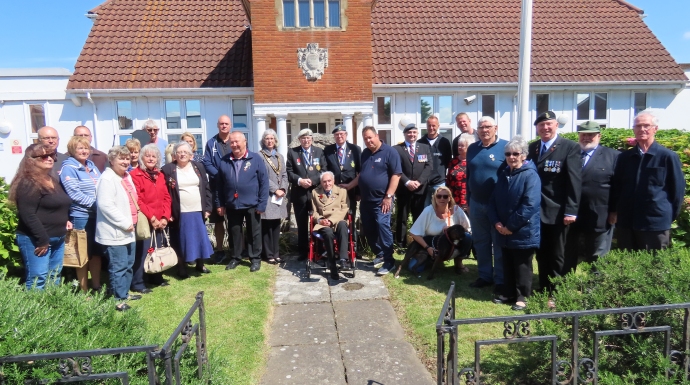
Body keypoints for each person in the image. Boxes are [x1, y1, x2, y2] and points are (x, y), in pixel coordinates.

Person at [526, 111, 581, 307]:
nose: (545, 128)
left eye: (549, 124)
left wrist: (571, 210)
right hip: (536, 211)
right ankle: (543, 286)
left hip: (559, 212)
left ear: (556, 125)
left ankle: (557, 291)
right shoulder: (532, 148)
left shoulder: (570, 147)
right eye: (541, 125)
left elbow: (574, 181)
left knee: (558, 254)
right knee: (541, 253)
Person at [609, 111, 685, 251]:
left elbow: (677, 191)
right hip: (627, 222)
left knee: (654, 266)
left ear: (655, 129)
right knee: (627, 264)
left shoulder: (667, 157)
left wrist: (666, 215)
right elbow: (617, 187)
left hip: (655, 223)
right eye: (638, 126)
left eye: (646, 125)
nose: (642, 129)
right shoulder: (624, 158)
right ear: (633, 129)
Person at [10, 143, 72, 290]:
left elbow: (59, 204)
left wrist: (66, 219)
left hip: (58, 237)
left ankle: (52, 309)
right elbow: (28, 214)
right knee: (38, 278)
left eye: (52, 155)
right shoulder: (28, 183)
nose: (50, 159)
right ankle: (35, 311)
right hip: (37, 240)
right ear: (32, 160)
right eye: (44, 156)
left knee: (54, 276)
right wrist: (42, 240)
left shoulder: (51, 180)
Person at [489, 136, 541, 311]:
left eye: (516, 153)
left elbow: (530, 204)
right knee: (508, 262)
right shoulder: (505, 174)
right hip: (503, 229)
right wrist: (497, 222)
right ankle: (509, 292)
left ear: (524, 155)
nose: (512, 157)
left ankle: (522, 296)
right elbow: (494, 200)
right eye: (508, 154)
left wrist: (510, 226)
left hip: (522, 230)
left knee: (522, 265)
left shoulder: (530, 175)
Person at [343, 126, 401, 276]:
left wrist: (388, 197)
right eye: (365, 139)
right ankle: (380, 254)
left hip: (382, 200)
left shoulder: (390, 152)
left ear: (377, 135)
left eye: (370, 137)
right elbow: (362, 175)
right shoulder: (365, 153)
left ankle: (389, 261)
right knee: (368, 229)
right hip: (366, 200)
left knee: (382, 226)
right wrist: (350, 186)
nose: (368, 141)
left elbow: (396, 175)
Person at [564, 121, 619, 272]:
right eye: (583, 134)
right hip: (571, 213)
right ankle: (563, 288)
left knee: (598, 255)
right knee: (567, 252)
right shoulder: (570, 153)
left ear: (599, 136)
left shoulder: (613, 156)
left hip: (600, 214)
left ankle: (596, 290)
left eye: (591, 134)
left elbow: (618, 187)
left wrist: (614, 211)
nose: (586, 138)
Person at [465, 116, 508, 292]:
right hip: (476, 203)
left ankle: (500, 279)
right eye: (481, 127)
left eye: (488, 127)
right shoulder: (472, 149)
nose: (484, 130)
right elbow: (468, 176)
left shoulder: (505, 147)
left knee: (497, 242)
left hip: (497, 205)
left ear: (495, 128)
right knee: (480, 241)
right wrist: (468, 200)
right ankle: (484, 275)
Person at [216, 132, 269, 272]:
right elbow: (219, 185)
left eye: (237, 142)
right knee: (235, 232)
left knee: (254, 233)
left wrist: (262, 203)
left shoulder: (256, 159)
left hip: (252, 204)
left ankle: (255, 259)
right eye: (231, 142)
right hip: (232, 204)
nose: (234, 145)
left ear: (245, 142)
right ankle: (235, 257)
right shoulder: (224, 160)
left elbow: (264, 183)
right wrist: (219, 203)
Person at [95, 146, 140, 311]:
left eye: (127, 159)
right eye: (121, 159)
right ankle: (117, 300)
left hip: (129, 229)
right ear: (111, 160)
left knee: (128, 263)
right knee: (118, 266)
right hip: (115, 231)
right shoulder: (107, 179)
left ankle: (125, 293)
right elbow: (105, 205)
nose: (125, 162)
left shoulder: (126, 176)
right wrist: (124, 223)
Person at [161, 142, 213, 278]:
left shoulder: (198, 167)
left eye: (185, 152)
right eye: (179, 152)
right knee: (181, 240)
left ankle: (200, 264)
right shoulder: (167, 169)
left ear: (191, 155)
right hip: (179, 212)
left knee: (199, 238)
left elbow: (206, 188)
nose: (182, 154)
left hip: (198, 210)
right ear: (174, 155)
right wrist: (167, 213)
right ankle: (181, 266)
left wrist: (208, 208)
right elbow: (163, 193)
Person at [59, 136, 103, 292]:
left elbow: (101, 186)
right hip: (81, 216)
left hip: (97, 215)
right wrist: (97, 204)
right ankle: (84, 290)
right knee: (82, 254)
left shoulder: (91, 166)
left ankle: (96, 286)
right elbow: (74, 193)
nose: (84, 151)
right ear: (72, 150)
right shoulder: (68, 168)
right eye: (80, 148)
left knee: (96, 253)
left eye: (86, 148)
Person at [130, 144, 172, 292]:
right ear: (142, 158)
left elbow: (167, 197)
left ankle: (156, 277)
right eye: (147, 156)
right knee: (144, 252)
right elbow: (138, 199)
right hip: (145, 219)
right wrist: (152, 218)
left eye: (154, 156)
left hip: (160, 219)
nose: (150, 158)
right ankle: (138, 282)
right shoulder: (135, 175)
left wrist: (165, 217)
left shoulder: (160, 175)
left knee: (157, 249)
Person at [408, 185, 472, 274]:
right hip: (430, 246)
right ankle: (432, 260)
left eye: (445, 196)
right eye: (439, 196)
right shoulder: (428, 211)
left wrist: (453, 230)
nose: (442, 198)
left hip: (451, 246)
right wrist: (428, 248)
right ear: (434, 198)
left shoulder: (457, 210)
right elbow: (414, 233)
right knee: (413, 268)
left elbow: (467, 228)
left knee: (467, 237)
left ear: (449, 198)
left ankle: (458, 263)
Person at [286, 128, 328, 260]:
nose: (306, 140)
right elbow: (289, 172)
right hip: (300, 194)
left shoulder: (319, 151)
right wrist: (299, 181)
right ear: (299, 140)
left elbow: (324, 170)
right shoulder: (293, 152)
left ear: (312, 139)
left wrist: (313, 180)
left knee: (318, 222)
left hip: (316, 193)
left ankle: (319, 250)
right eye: (303, 138)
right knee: (302, 224)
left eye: (308, 137)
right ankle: (303, 253)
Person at [393, 122, 432, 246]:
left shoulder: (424, 147)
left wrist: (419, 182)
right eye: (409, 132)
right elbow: (396, 168)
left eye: (414, 132)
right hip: (404, 189)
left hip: (420, 189)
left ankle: (418, 242)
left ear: (417, 134)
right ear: (405, 134)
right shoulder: (397, 149)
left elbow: (429, 166)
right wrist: (407, 182)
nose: (412, 134)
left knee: (419, 217)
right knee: (402, 217)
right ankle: (401, 243)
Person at [202, 115, 232, 263]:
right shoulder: (211, 143)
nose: (224, 126)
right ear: (217, 125)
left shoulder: (235, 141)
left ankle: (235, 249)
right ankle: (219, 250)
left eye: (226, 123)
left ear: (230, 125)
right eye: (221, 124)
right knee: (219, 221)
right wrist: (220, 175)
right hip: (217, 187)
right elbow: (207, 162)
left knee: (235, 220)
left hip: (234, 187)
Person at [311, 172, 350, 280]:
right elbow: (314, 212)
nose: (327, 184)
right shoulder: (315, 192)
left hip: (338, 220)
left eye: (329, 181)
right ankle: (332, 264)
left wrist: (331, 220)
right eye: (324, 181)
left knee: (343, 225)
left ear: (333, 181)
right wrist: (320, 220)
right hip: (323, 224)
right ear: (321, 183)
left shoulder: (342, 192)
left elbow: (345, 209)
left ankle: (343, 260)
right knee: (328, 233)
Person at [258, 129, 289, 264]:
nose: (270, 141)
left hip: (279, 196)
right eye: (267, 139)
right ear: (263, 141)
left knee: (276, 225)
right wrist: (275, 189)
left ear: (275, 141)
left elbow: (284, 174)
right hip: (268, 195)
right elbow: (262, 176)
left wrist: (283, 188)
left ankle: (276, 253)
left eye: (272, 138)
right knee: (267, 226)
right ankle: (268, 254)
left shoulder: (280, 156)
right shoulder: (259, 156)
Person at [323, 124, 361, 220]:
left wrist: (358, 192)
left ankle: (352, 235)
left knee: (350, 215)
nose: (339, 136)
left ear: (346, 134)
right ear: (334, 136)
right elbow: (325, 169)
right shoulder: (328, 150)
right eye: (337, 134)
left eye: (341, 134)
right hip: (333, 190)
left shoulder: (355, 149)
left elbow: (360, 171)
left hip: (351, 189)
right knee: (335, 216)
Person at [418, 116, 453, 207]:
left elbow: (447, 161)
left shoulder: (444, 142)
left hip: (439, 182)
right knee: (425, 210)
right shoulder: (420, 143)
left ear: (438, 126)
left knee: (442, 208)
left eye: (434, 125)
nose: (431, 128)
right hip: (424, 184)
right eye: (429, 125)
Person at [447, 133, 476, 214]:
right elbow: (448, 180)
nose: (459, 147)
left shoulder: (473, 161)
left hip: (468, 200)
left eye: (462, 146)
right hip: (453, 199)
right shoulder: (453, 161)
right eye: (459, 145)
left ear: (469, 147)